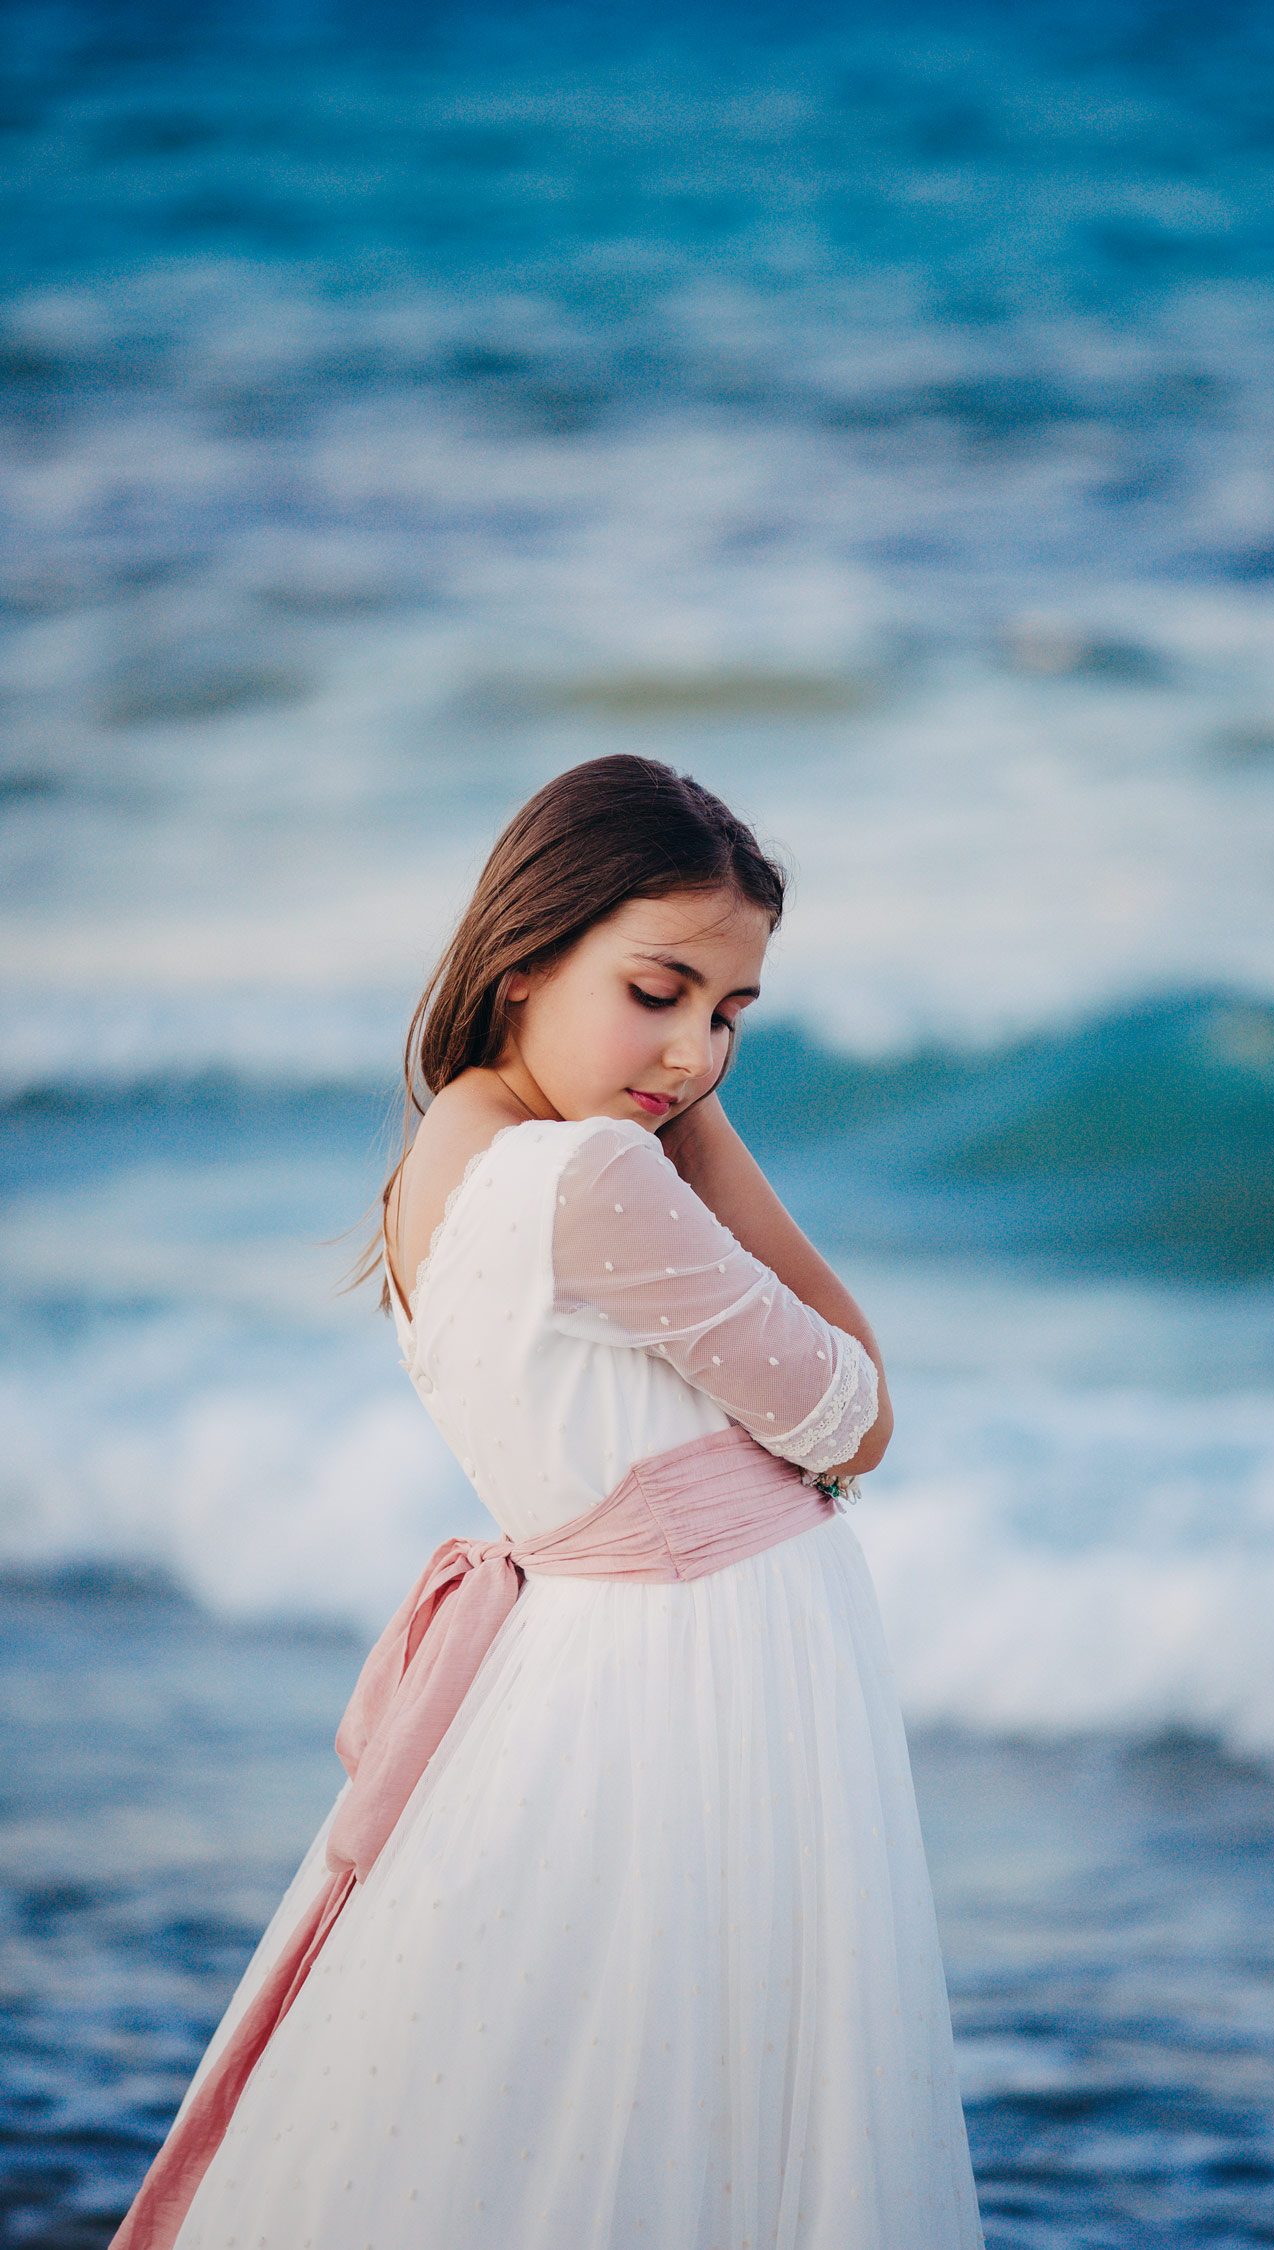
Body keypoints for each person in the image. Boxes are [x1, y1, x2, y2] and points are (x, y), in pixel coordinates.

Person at [115, 754, 984, 2249]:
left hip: (605, 1670)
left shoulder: (445, 1153)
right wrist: (691, 1132)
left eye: (728, 1014)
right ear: (525, 955)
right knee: (691, 2123)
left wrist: (658, 1090)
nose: (695, 1049)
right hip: (697, 1690)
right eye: (657, 990)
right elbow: (860, 1407)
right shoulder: (589, 1173)